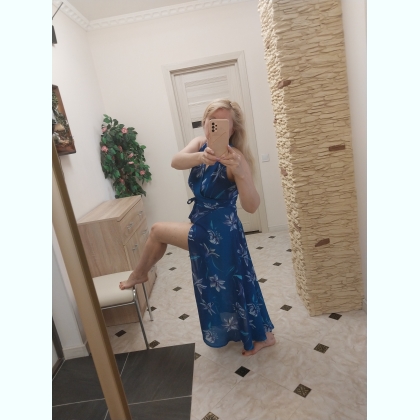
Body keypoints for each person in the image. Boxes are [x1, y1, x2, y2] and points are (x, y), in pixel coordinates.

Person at [119, 99, 275, 356]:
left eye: (223, 123)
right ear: (205, 123)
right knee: (230, 284)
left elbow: (252, 206)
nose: (215, 127)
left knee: (157, 231)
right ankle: (263, 335)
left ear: (233, 129)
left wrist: (241, 173)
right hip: (204, 225)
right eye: (211, 121)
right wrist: (201, 157)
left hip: (219, 234)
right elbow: (175, 161)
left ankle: (139, 275)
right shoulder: (200, 145)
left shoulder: (235, 158)